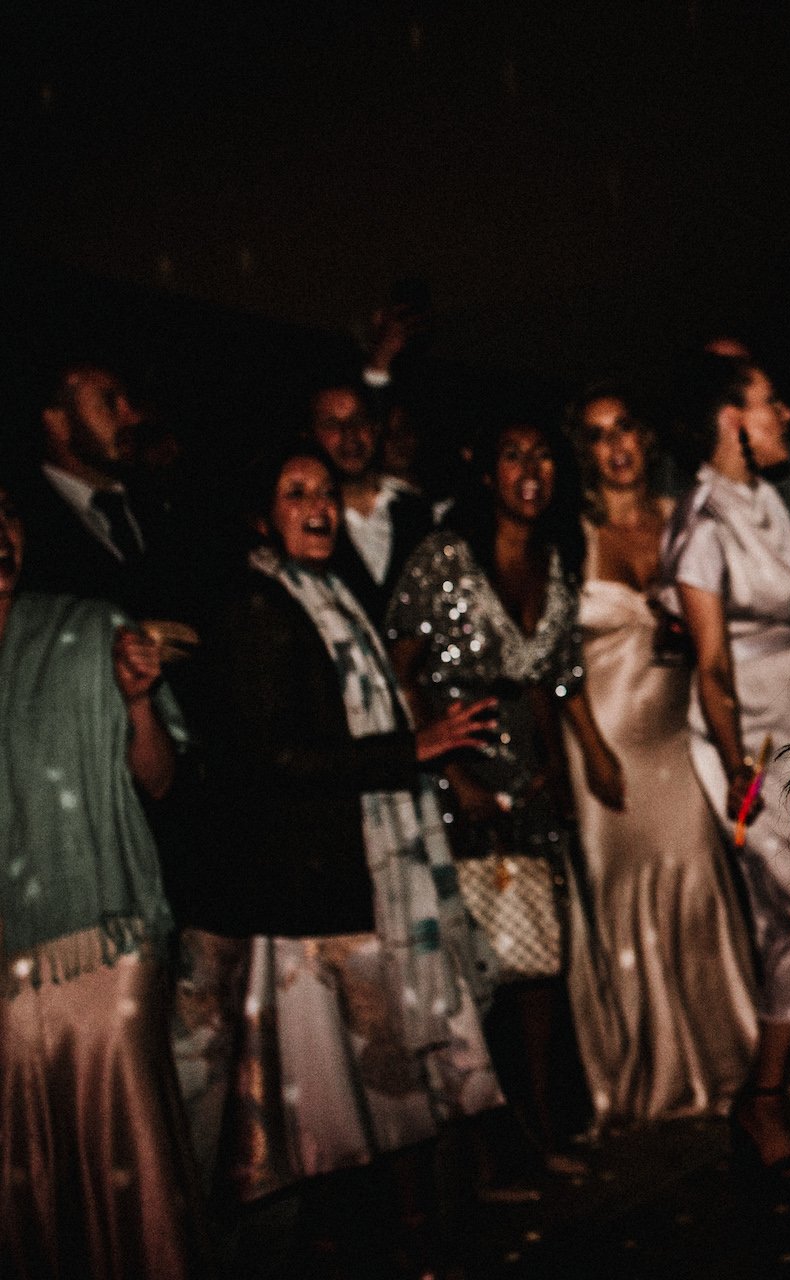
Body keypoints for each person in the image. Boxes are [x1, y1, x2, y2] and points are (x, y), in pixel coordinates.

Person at [167, 442, 502, 1260]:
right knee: (325, 1102)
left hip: (356, 873)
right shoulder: (258, 604)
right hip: (307, 889)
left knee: (378, 1087)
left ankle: (405, 1236)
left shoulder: (330, 592)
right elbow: (270, 757)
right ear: (261, 513)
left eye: (324, 493)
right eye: (294, 493)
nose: (317, 507)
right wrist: (409, 750)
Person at [387, 420, 623, 1173]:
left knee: (540, 968)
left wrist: (567, 766)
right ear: (485, 472)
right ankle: (478, 1150)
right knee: (472, 972)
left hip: (530, 785)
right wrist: (451, 774)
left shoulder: (555, 563)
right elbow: (397, 671)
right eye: (512, 452)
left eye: (543, 453)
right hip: (458, 785)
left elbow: (552, 683)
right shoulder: (443, 558)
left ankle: (542, 1129)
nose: (532, 468)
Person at [0, 477, 204, 1280]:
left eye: (6, 510)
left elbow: (156, 780)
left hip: (104, 950)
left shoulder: (89, 626)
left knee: (131, 1162)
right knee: (27, 1183)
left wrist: (140, 700)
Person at [662, 353, 790, 1180]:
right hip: (750, 753)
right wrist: (744, 778)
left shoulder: (761, 500)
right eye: (771, 402)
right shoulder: (702, 522)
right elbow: (708, 665)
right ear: (734, 421)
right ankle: (761, 1096)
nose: (785, 413)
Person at [560, 386, 758, 1129]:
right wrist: (589, 747)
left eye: (626, 430)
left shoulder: (685, 524)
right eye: (597, 435)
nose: (615, 447)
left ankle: (727, 1061)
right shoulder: (571, 535)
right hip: (604, 747)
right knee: (621, 906)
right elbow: (555, 663)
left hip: (681, 739)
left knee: (701, 886)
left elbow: (722, 641)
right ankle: (643, 1076)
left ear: (646, 440)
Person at [13, 361, 192, 620]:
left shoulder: (165, 505)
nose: (131, 416)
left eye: (128, 401)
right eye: (109, 401)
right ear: (58, 422)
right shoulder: (24, 522)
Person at [309, 380, 435, 624]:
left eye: (358, 420)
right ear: (311, 435)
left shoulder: (416, 512)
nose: (349, 434)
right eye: (332, 424)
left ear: (375, 428)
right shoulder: (308, 524)